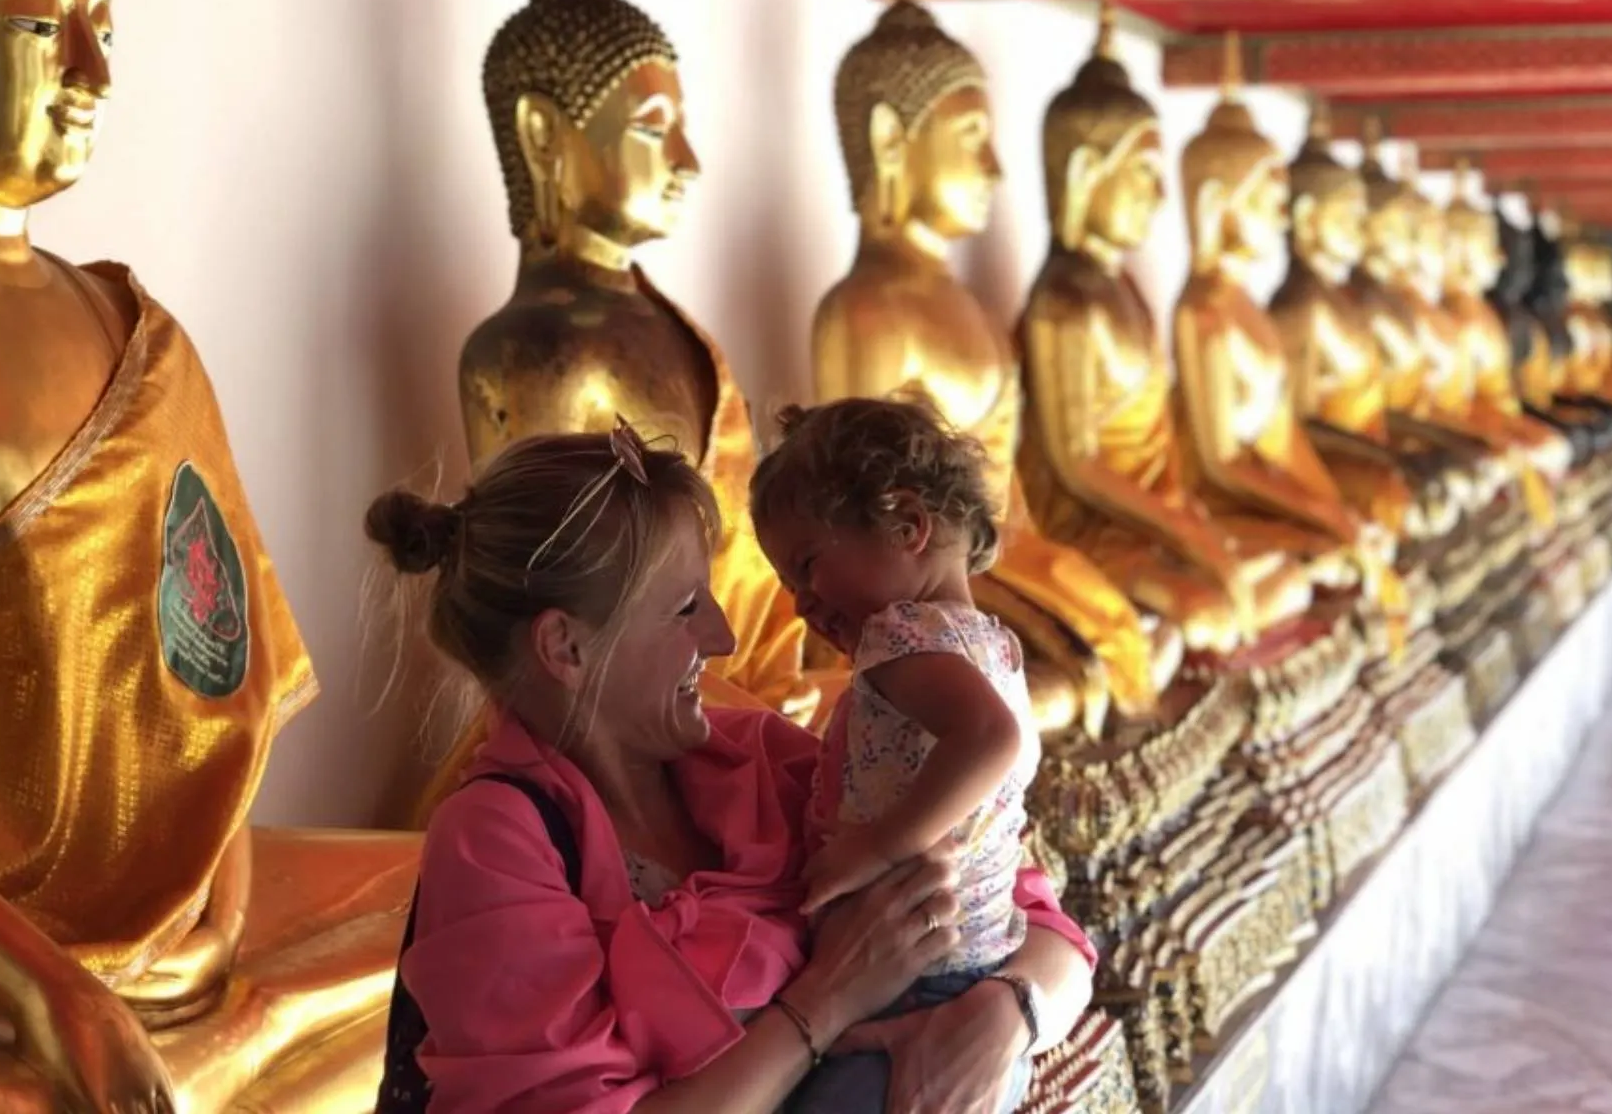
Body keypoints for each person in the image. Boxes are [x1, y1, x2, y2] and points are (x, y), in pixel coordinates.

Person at [365, 421, 1094, 1113]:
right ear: (567, 648)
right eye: (686, 607)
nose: (723, 636)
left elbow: (1040, 918)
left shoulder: (756, 755)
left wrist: (1006, 1017)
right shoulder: (494, 840)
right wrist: (824, 1000)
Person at [749, 397, 1039, 1114]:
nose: (799, 606)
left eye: (808, 565)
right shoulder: (994, 641)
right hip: (977, 964)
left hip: (917, 969)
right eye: (786, 584)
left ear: (907, 525)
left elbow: (992, 740)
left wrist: (877, 846)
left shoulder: (899, 638)